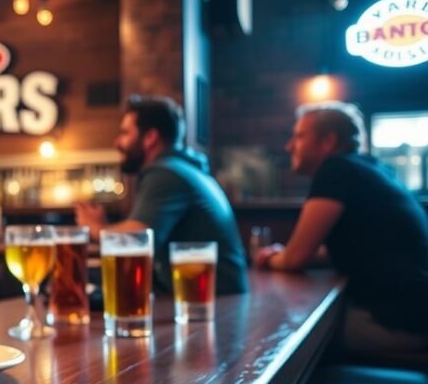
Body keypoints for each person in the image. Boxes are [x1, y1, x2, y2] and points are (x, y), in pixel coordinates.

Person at [256, 101, 428, 355]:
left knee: (280, 335)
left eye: (300, 136)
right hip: (415, 316)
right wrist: (286, 255)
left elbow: (295, 259)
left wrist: (269, 259)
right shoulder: (374, 168)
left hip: (396, 325)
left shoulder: (336, 170)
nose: (289, 145)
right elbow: (360, 249)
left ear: (328, 141)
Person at [75, 95, 248, 295]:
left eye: (125, 133)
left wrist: (95, 227)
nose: (117, 142)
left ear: (150, 138)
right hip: (210, 296)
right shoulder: (183, 168)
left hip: (211, 301)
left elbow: (137, 239)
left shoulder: (165, 174)